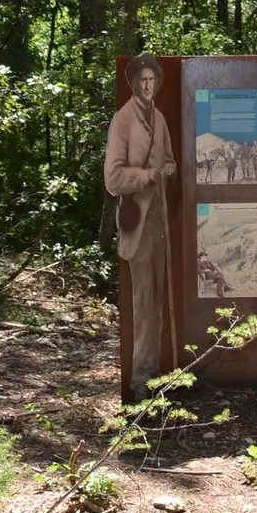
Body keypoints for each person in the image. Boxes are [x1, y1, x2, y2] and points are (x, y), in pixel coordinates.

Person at [104, 54, 176, 400]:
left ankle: (154, 374)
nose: (148, 86)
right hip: (138, 223)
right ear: (134, 83)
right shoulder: (123, 120)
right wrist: (146, 176)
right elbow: (113, 179)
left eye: (152, 80)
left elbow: (168, 158)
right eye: (142, 80)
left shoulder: (159, 118)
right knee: (143, 304)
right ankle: (140, 382)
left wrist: (169, 167)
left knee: (157, 302)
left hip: (160, 222)